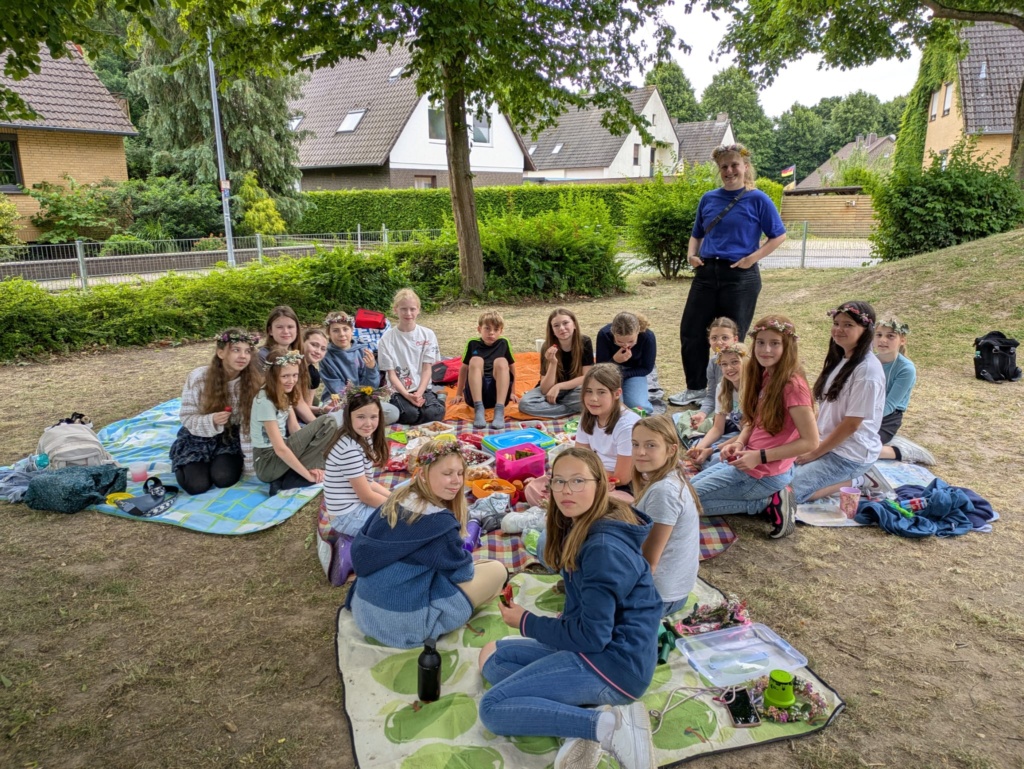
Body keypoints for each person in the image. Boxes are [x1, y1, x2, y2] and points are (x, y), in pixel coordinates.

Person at [478, 447, 661, 769]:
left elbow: (592, 636)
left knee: (492, 707)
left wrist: (527, 622)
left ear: (599, 484)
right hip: (601, 650)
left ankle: (608, 729)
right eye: (559, 482)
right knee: (497, 662)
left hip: (615, 665)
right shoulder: (584, 526)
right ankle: (575, 713)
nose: (566, 491)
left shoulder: (602, 547)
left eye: (578, 481)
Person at [347, 438, 508, 648]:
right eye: (447, 473)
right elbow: (462, 574)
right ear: (423, 474)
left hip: (366, 610)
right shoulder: (439, 523)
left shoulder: (395, 500)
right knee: (497, 570)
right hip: (405, 622)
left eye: (460, 473)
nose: (456, 481)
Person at [670, 143, 787, 408]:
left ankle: (730, 392)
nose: (730, 170)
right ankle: (696, 389)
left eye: (735, 165)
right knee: (691, 332)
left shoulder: (758, 198)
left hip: (740, 276)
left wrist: (751, 258)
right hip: (706, 273)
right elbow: (696, 233)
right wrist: (692, 254)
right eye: (724, 166)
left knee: (733, 337)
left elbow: (778, 235)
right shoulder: (708, 198)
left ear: (745, 167)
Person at [690, 316, 818, 539]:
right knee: (686, 491)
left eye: (774, 343)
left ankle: (766, 503)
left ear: (787, 346)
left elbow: (810, 441)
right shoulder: (766, 373)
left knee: (685, 505)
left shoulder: (792, 385)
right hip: (747, 459)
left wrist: (759, 456)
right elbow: (753, 421)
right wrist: (739, 442)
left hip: (763, 472)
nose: (765, 349)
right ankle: (768, 497)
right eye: (760, 342)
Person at [792, 302, 885, 503]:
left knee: (787, 493)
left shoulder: (868, 371)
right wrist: (807, 440)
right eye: (836, 323)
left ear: (866, 330)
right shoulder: (841, 359)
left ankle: (858, 480)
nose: (839, 329)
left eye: (848, 325)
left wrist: (814, 453)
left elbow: (852, 424)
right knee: (772, 476)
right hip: (824, 442)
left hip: (849, 454)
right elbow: (825, 408)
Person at [170, 329, 263, 494]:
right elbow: (187, 416)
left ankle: (218, 461)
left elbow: (248, 425)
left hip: (229, 438)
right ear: (221, 353)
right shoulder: (199, 377)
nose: (243, 356)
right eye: (236, 350)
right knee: (196, 485)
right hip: (196, 437)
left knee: (223, 479)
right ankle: (188, 461)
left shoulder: (252, 383)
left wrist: (250, 465)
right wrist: (211, 420)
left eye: (247, 351)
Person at [631, 416, 701, 617]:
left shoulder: (664, 492)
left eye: (650, 445)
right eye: (635, 444)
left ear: (671, 449)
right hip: (666, 590)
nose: (640, 452)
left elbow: (648, 562)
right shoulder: (666, 478)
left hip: (659, 597)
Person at [250, 348, 339, 495]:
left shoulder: (285, 393)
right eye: (285, 376)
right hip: (267, 461)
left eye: (294, 375)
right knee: (328, 422)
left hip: (281, 452)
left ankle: (293, 473)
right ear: (272, 376)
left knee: (328, 439)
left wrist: (309, 444)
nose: (291, 380)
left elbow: (294, 428)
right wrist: (308, 475)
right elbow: (279, 449)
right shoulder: (265, 400)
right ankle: (295, 476)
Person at [321, 383, 392, 541]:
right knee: (407, 525)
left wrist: (394, 498)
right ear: (348, 417)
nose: (368, 423)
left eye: (373, 417)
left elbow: (369, 483)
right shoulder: (349, 450)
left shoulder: (364, 437)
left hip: (357, 506)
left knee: (405, 496)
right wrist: (398, 509)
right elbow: (366, 496)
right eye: (361, 417)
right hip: (347, 517)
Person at [377, 288, 445, 426]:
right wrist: (407, 395)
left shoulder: (427, 334)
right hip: (399, 390)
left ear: (418, 310)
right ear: (396, 310)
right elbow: (391, 375)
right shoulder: (387, 338)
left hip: (422, 387)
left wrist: (419, 393)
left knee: (434, 414)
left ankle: (438, 400)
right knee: (410, 414)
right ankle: (419, 411)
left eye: (412, 309)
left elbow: (427, 369)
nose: (408, 313)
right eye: (403, 309)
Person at [320, 311, 399, 425]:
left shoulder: (362, 351)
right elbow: (337, 389)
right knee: (333, 420)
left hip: (363, 399)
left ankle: (356, 423)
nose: (341, 334)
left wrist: (371, 368)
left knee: (393, 412)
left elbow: (371, 386)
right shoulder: (326, 357)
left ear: (352, 330)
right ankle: (357, 423)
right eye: (335, 330)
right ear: (329, 333)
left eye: (345, 329)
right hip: (340, 402)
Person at [575, 364, 640, 499]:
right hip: (595, 475)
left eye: (601, 392)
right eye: (588, 391)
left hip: (624, 486)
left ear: (617, 394)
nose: (593, 398)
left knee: (588, 498)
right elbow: (580, 456)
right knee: (543, 485)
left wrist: (587, 477)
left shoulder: (626, 427)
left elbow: (622, 478)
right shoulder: (587, 417)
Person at [518, 308, 594, 419]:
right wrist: (553, 363)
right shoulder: (547, 347)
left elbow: (587, 377)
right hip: (550, 389)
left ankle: (554, 406)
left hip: (574, 389)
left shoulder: (584, 342)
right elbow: (544, 389)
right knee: (525, 404)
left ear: (574, 325)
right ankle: (574, 408)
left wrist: (559, 386)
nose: (562, 328)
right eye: (556, 325)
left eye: (565, 323)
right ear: (552, 330)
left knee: (589, 396)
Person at [873, 317, 929, 462]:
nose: (883, 340)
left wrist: (865, 420)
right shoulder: (868, 361)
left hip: (888, 417)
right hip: (865, 411)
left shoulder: (906, 368)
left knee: (856, 449)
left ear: (902, 340)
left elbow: (890, 405)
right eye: (879, 335)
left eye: (890, 336)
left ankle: (900, 451)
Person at [450, 310, 518, 429]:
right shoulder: (472, 343)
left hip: (497, 394)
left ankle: (499, 410)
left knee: (502, 361)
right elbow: (464, 368)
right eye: (487, 328)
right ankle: (479, 409)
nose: (491, 333)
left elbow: (511, 367)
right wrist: (458, 393)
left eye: (496, 330)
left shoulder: (504, 343)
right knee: (476, 360)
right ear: (479, 329)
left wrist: (512, 392)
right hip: (476, 393)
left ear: (500, 331)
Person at [674, 317, 740, 439]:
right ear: (709, 340)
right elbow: (712, 395)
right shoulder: (713, 363)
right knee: (687, 420)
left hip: (740, 410)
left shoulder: (742, 360)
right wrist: (702, 413)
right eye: (714, 338)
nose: (719, 342)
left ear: (735, 339)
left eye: (725, 338)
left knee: (712, 425)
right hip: (722, 408)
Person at [686, 342, 747, 470]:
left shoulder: (753, 390)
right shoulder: (723, 387)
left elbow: (751, 433)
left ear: (746, 362)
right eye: (724, 364)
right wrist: (700, 448)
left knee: (719, 459)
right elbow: (718, 428)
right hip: (737, 434)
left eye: (735, 362)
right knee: (697, 445)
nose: (729, 368)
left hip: (751, 438)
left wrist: (712, 449)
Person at [258, 305, 318, 424]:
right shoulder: (263, 356)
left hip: (292, 414)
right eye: (279, 327)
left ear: (297, 329)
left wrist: (317, 425)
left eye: (290, 327)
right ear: (270, 330)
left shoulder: (294, 355)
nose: (286, 331)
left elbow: (298, 399)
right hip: (275, 420)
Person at [595, 312, 656, 415]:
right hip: (609, 373)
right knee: (614, 407)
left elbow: (647, 368)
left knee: (637, 406)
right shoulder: (604, 335)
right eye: (619, 342)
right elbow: (600, 367)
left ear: (638, 332)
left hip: (635, 371)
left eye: (631, 341)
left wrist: (623, 375)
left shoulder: (647, 337)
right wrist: (615, 361)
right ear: (613, 333)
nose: (626, 345)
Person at [300, 328, 328, 416]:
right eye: (314, 345)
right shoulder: (289, 365)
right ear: (302, 342)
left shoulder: (314, 375)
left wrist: (324, 410)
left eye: (323, 349)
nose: (318, 351)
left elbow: (306, 407)